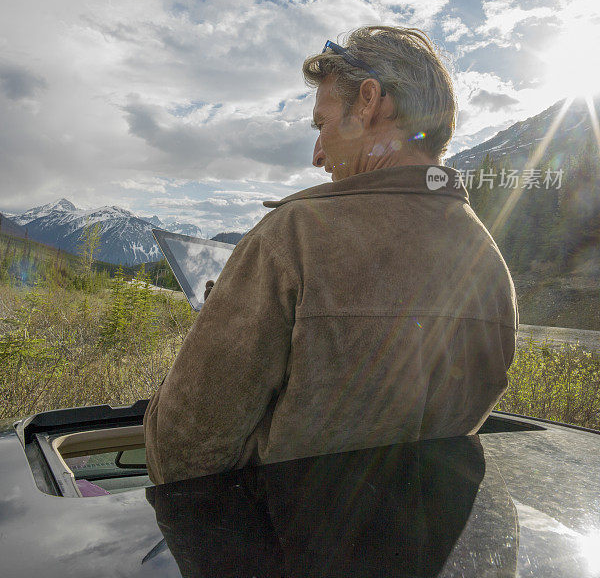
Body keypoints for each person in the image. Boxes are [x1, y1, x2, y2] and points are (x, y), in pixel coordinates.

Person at [143, 25, 518, 485]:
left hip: (292, 549)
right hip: (428, 549)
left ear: (368, 101)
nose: (318, 155)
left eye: (322, 125)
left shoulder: (295, 236)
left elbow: (180, 450)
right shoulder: (489, 260)